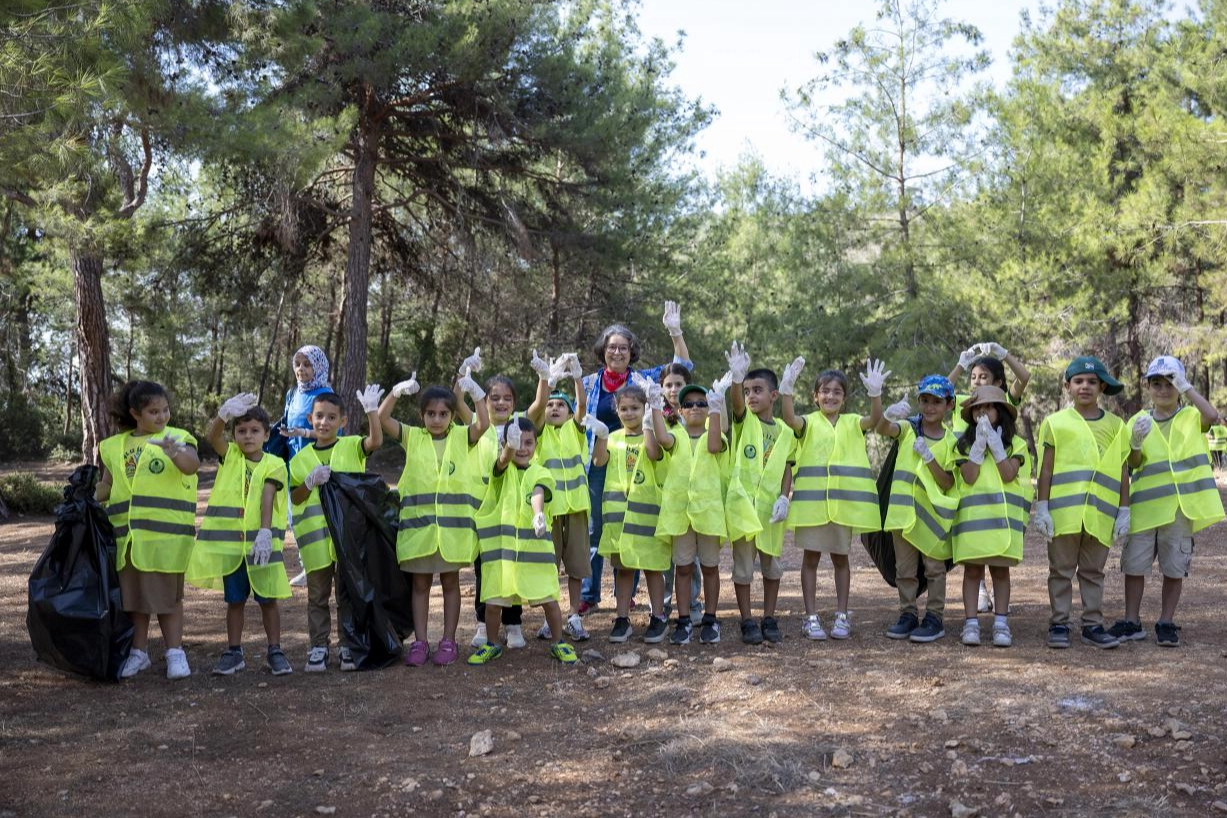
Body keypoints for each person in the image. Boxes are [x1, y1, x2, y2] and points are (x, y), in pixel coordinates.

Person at [579, 302, 693, 616]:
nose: (617, 353)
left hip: (641, 460)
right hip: (602, 460)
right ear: (603, 351)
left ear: (632, 352)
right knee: (597, 528)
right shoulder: (590, 383)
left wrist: (675, 332)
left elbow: (683, 366)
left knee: (634, 525)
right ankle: (589, 594)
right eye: (612, 347)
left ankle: (623, 593)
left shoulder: (644, 379)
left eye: (624, 348)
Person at [1108, 356, 1226, 647]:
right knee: (1134, 566)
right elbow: (1132, 462)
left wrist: (1187, 387)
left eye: (1170, 383)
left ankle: (1166, 622)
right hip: (1144, 510)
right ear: (1148, 387)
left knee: (1174, 568)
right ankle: (1132, 621)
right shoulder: (1138, 420)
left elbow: (1212, 416)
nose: (1163, 389)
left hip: (1178, 509)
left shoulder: (1189, 415)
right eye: (1157, 384)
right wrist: (1134, 443)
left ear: (1179, 385)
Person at [379, 364, 488, 667]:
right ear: (422, 415)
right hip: (419, 532)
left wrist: (477, 394)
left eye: (443, 414)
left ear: (453, 416)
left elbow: (483, 426)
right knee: (420, 586)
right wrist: (395, 392)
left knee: (451, 583)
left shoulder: (462, 438)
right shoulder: (413, 437)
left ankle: (449, 640)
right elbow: (383, 418)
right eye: (431, 414)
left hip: (451, 534)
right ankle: (421, 642)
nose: (437, 419)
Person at [96, 380, 200, 680]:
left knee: (168, 600)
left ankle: (175, 653)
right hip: (127, 540)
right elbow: (108, 484)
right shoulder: (114, 446)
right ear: (135, 413)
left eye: (165, 410)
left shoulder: (177, 436)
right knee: (134, 601)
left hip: (165, 540)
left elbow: (191, 466)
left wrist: (173, 452)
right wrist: (87, 495)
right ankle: (138, 653)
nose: (162, 417)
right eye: (154, 411)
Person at [778, 358, 887, 641]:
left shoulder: (852, 422)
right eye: (824, 391)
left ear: (844, 398)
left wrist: (876, 394)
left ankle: (842, 615)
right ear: (815, 397)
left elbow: (875, 421)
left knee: (841, 560)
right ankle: (811, 617)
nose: (830, 396)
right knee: (810, 560)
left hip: (842, 509)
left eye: (837, 392)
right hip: (812, 509)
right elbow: (789, 419)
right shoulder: (809, 423)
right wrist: (786, 389)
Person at [188, 393, 293, 675]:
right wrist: (222, 416)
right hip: (233, 548)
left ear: (266, 435)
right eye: (242, 431)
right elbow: (213, 438)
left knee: (268, 599)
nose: (248, 436)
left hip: (262, 546)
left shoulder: (275, 464)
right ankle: (234, 652)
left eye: (255, 431)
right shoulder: (231, 456)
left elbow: (268, 497)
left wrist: (264, 533)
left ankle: (275, 650)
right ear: (235, 435)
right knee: (234, 601)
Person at [1033, 356, 1131, 650]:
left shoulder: (1116, 425)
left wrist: (1124, 509)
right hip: (1065, 513)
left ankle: (1093, 624)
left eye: (1091, 382)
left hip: (1101, 513)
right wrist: (1043, 507)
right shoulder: (1055, 423)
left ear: (1102, 386)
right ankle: (1060, 623)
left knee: (1093, 571)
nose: (1084, 387)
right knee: (1060, 570)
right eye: (1078, 381)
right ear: (1067, 387)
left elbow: (1123, 468)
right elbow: (1046, 469)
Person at [289, 386, 385, 672]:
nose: (324, 423)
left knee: (347, 593)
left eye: (332, 418)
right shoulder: (300, 461)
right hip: (317, 543)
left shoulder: (351, 446)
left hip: (347, 540)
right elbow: (294, 497)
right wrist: (308, 482)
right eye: (319, 416)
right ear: (310, 418)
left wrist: (371, 411)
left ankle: (347, 645)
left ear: (342, 422)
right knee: (317, 596)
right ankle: (318, 647)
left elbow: (375, 441)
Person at [468, 418, 578, 665]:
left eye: (528, 442)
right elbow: (503, 460)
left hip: (534, 553)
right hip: (503, 555)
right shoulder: (500, 470)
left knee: (549, 600)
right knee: (494, 603)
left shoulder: (540, 472)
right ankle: (492, 644)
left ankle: (558, 642)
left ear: (536, 445)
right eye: (517, 442)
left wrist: (538, 514)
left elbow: (538, 492)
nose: (522, 448)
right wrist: (509, 445)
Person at [948, 342, 1030, 613]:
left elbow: (1025, 378)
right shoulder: (963, 401)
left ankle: (999, 613)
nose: (976, 382)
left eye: (983, 377)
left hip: (999, 479)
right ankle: (979, 592)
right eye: (973, 377)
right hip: (970, 469)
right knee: (974, 558)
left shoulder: (1002, 401)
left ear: (997, 382)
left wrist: (1002, 353)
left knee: (998, 560)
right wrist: (960, 365)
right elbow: (942, 391)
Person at [877, 375, 959, 643]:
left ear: (949, 405)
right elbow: (883, 428)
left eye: (936, 401)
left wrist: (929, 457)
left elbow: (948, 482)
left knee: (935, 569)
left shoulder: (951, 443)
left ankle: (934, 617)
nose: (929, 407)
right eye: (924, 400)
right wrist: (885, 411)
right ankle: (908, 613)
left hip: (933, 520)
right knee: (905, 570)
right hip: (903, 515)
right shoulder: (909, 429)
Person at [587, 381, 670, 643]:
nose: (629, 413)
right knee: (623, 569)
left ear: (645, 409)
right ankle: (622, 619)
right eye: (624, 408)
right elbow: (599, 461)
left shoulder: (653, 434)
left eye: (635, 408)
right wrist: (601, 436)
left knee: (652, 568)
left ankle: (658, 617)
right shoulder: (613, 438)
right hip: (619, 520)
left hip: (647, 519)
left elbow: (654, 453)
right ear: (617, 410)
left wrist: (648, 425)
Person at [724, 342, 795, 645]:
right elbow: (737, 406)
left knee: (772, 566)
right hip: (744, 509)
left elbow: (787, 467)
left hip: (770, 511)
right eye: (748, 390)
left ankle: (769, 616)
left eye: (758, 390)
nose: (752, 396)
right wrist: (736, 380)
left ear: (774, 396)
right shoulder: (744, 422)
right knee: (743, 568)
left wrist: (784, 496)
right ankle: (747, 620)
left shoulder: (785, 430)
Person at [653, 382, 727, 645]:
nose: (695, 407)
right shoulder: (676, 436)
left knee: (710, 567)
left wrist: (717, 408)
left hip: (707, 514)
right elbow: (662, 439)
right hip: (681, 515)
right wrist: (653, 405)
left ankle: (710, 618)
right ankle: (683, 619)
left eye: (701, 403)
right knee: (683, 568)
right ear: (680, 411)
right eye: (689, 404)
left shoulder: (713, 433)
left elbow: (716, 445)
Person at [525, 352, 592, 642]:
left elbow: (583, 405)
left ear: (568, 412)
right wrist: (547, 382)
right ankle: (548, 618)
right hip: (550, 511)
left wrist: (577, 376)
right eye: (551, 404)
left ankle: (574, 616)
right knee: (549, 564)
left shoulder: (575, 432)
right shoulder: (539, 434)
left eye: (560, 405)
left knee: (576, 565)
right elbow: (534, 412)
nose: (554, 408)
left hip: (576, 508)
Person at [462, 362, 526, 650]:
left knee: (512, 566)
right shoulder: (479, 426)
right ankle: (482, 622)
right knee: (484, 568)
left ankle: (513, 623)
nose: (501, 402)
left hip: (512, 509)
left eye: (507, 398)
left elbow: (539, 405)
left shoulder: (520, 424)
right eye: (494, 397)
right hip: (483, 511)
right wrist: (464, 376)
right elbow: (455, 399)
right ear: (484, 402)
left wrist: (544, 378)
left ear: (514, 403)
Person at [281, 345, 337, 587]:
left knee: (321, 517)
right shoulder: (292, 394)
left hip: (319, 460)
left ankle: (330, 566)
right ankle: (308, 565)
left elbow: (335, 431)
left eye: (307, 364)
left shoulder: (325, 394)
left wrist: (304, 431)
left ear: (319, 367)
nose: (301, 369)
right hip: (295, 461)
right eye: (298, 364)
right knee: (297, 515)